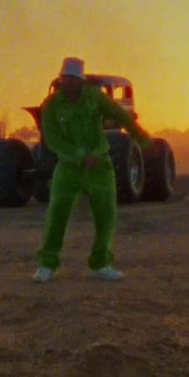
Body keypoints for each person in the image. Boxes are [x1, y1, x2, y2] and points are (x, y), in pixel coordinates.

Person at [33, 57, 153, 283]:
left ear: (81, 80)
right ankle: (47, 265)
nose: (69, 83)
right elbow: (52, 139)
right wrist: (79, 156)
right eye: (65, 78)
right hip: (68, 169)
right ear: (60, 79)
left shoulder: (95, 97)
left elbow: (120, 115)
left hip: (100, 166)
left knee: (106, 215)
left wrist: (141, 138)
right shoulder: (50, 106)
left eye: (74, 79)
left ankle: (100, 264)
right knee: (57, 213)